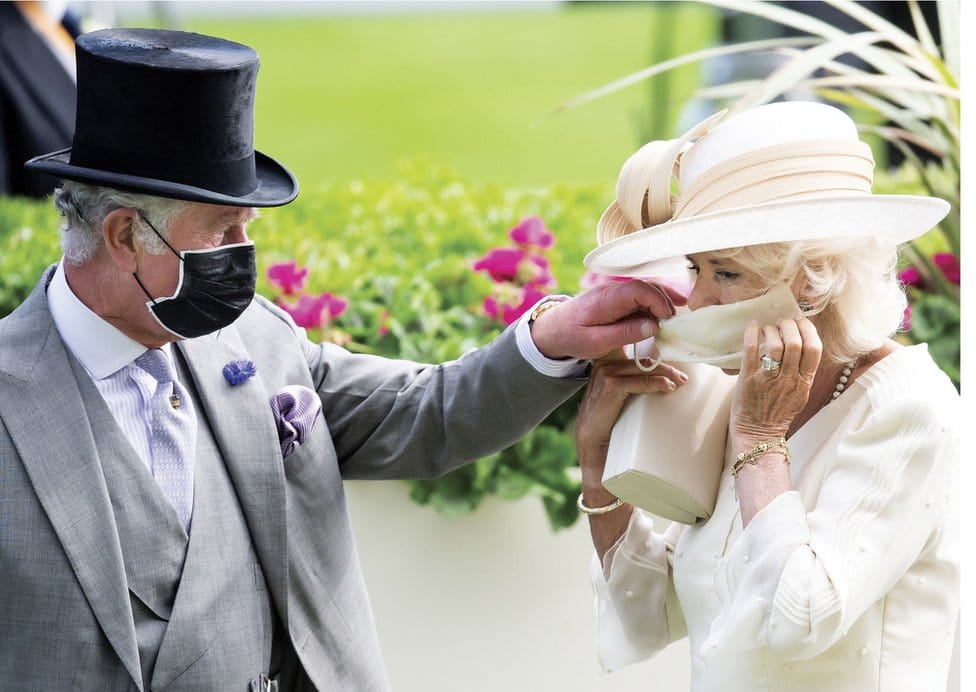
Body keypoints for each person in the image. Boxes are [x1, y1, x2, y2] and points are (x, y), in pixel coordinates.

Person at [0, 28, 684, 691]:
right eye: (222, 230)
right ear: (124, 235)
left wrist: (555, 336)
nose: (246, 251)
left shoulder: (258, 343)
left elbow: (430, 414)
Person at [574, 100, 959, 691]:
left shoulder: (907, 407)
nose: (696, 301)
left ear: (813, 279)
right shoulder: (751, 389)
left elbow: (800, 619)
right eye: (695, 269)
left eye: (724, 273)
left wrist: (760, 440)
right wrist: (597, 456)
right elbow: (650, 611)